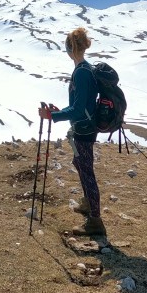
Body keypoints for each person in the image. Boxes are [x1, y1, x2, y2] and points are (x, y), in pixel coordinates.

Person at [39, 27, 106, 238]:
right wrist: (60, 112)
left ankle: (95, 221)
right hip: (85, 125)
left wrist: (53, 117)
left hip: (84, 129)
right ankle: (88, 204)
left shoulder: (82, 73)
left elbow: (78, 109)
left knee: (87, 172)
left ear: (70, 49)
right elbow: (80, 105)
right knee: (80, 164)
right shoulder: (84, 69)